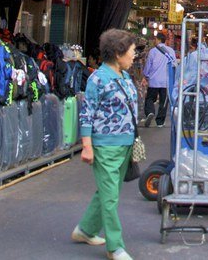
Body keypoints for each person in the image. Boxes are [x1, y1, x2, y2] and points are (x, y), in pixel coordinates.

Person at [74, 29, 139, 260]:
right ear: (118, 53)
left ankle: (85, 230)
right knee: (110, 197)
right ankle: (115, 246)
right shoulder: (98, 79)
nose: (134, 55)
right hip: (106, 147)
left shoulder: (125, 76)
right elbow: (87, 114)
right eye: (132, 51)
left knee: (108, 192)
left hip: (125, 145)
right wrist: (87, 145)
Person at [142, 32, 175, 127]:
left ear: (159, 40)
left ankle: (150, 112)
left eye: (155, 39)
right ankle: (160, 122)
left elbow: (148, 65)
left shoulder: (153, 51)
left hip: (154, 81)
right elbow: (174, 65)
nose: (154, 41)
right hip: (166, 82)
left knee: (150, 98)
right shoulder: (171, 51)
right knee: (163, 102)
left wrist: (145, 75)